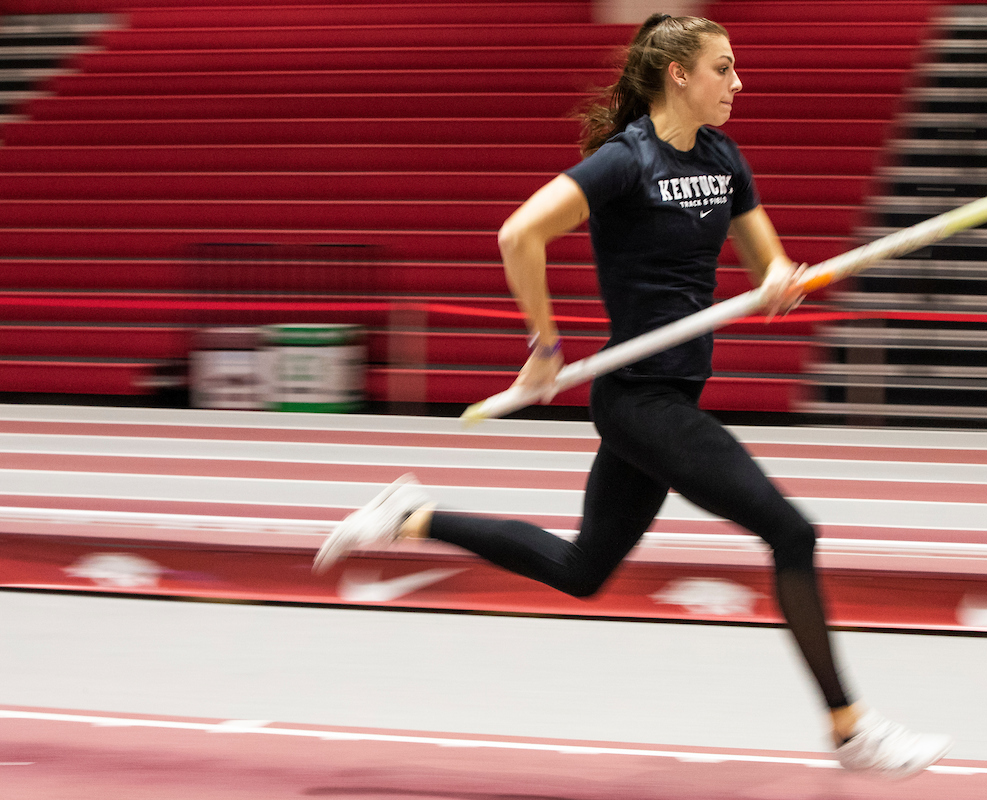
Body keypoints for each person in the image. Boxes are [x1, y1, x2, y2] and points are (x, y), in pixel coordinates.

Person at [314, 13, 951, 778]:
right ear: (678, 73)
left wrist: (783, 280)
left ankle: (409, 516)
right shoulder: (626, 161)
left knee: (582, 570)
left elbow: (767, 272)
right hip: (640, 399)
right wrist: (544, 348)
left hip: (669, 392)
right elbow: (519, 235)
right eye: (724, 68)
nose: (738, 83)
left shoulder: (723, 157)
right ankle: (851, 729)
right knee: (793, 534)